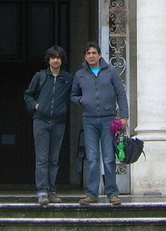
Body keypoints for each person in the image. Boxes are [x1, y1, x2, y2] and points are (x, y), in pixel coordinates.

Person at [70, 42, 128, 207]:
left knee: (109, 157)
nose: (91, 56)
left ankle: (112, 193)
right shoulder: (80, 75)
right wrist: (81, 100)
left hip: (108, 119)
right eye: (88, 53)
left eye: (94, 53)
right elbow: (73, 95)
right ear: (85, 56)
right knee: (93, 158)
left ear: (100, 55)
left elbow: (120, 94)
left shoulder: (111, 72)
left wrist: (124, 116)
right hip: (89, 119)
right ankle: (92, 193)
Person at [23, 45, 73, 206]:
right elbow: (28, 95)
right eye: (53, 57)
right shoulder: (40, 77)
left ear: (62, 60)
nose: (56, 60)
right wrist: (36, 106)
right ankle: (42, 191)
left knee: (54, 159)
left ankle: (51, 191)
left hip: (58, 122)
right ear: (48, 60)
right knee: (42, 159)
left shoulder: (67, 79)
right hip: (41, 122)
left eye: (58, 57)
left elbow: (76, 93)